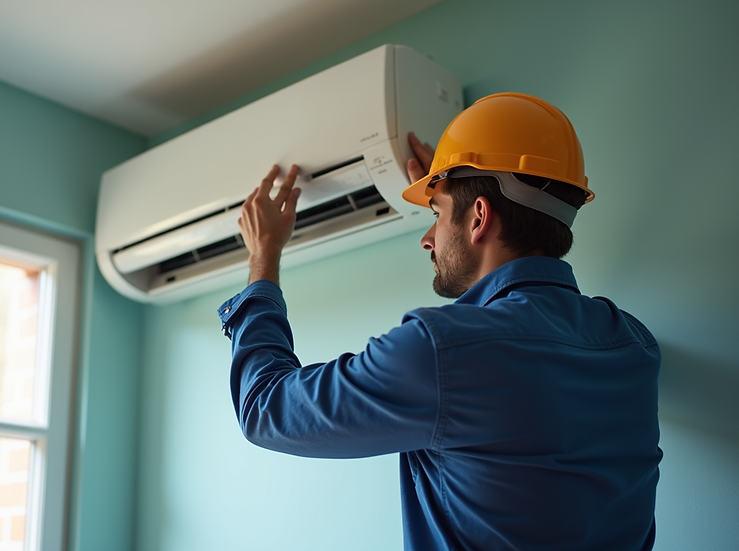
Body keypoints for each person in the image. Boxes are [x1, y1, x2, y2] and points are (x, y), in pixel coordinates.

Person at [218, 92, 662, 551]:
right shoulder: (631, 343)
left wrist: (262, 256)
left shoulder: (441, 352)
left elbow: (265, 409)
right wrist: (456, 202)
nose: (427, 239)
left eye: (436, 215)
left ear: (480, 219)